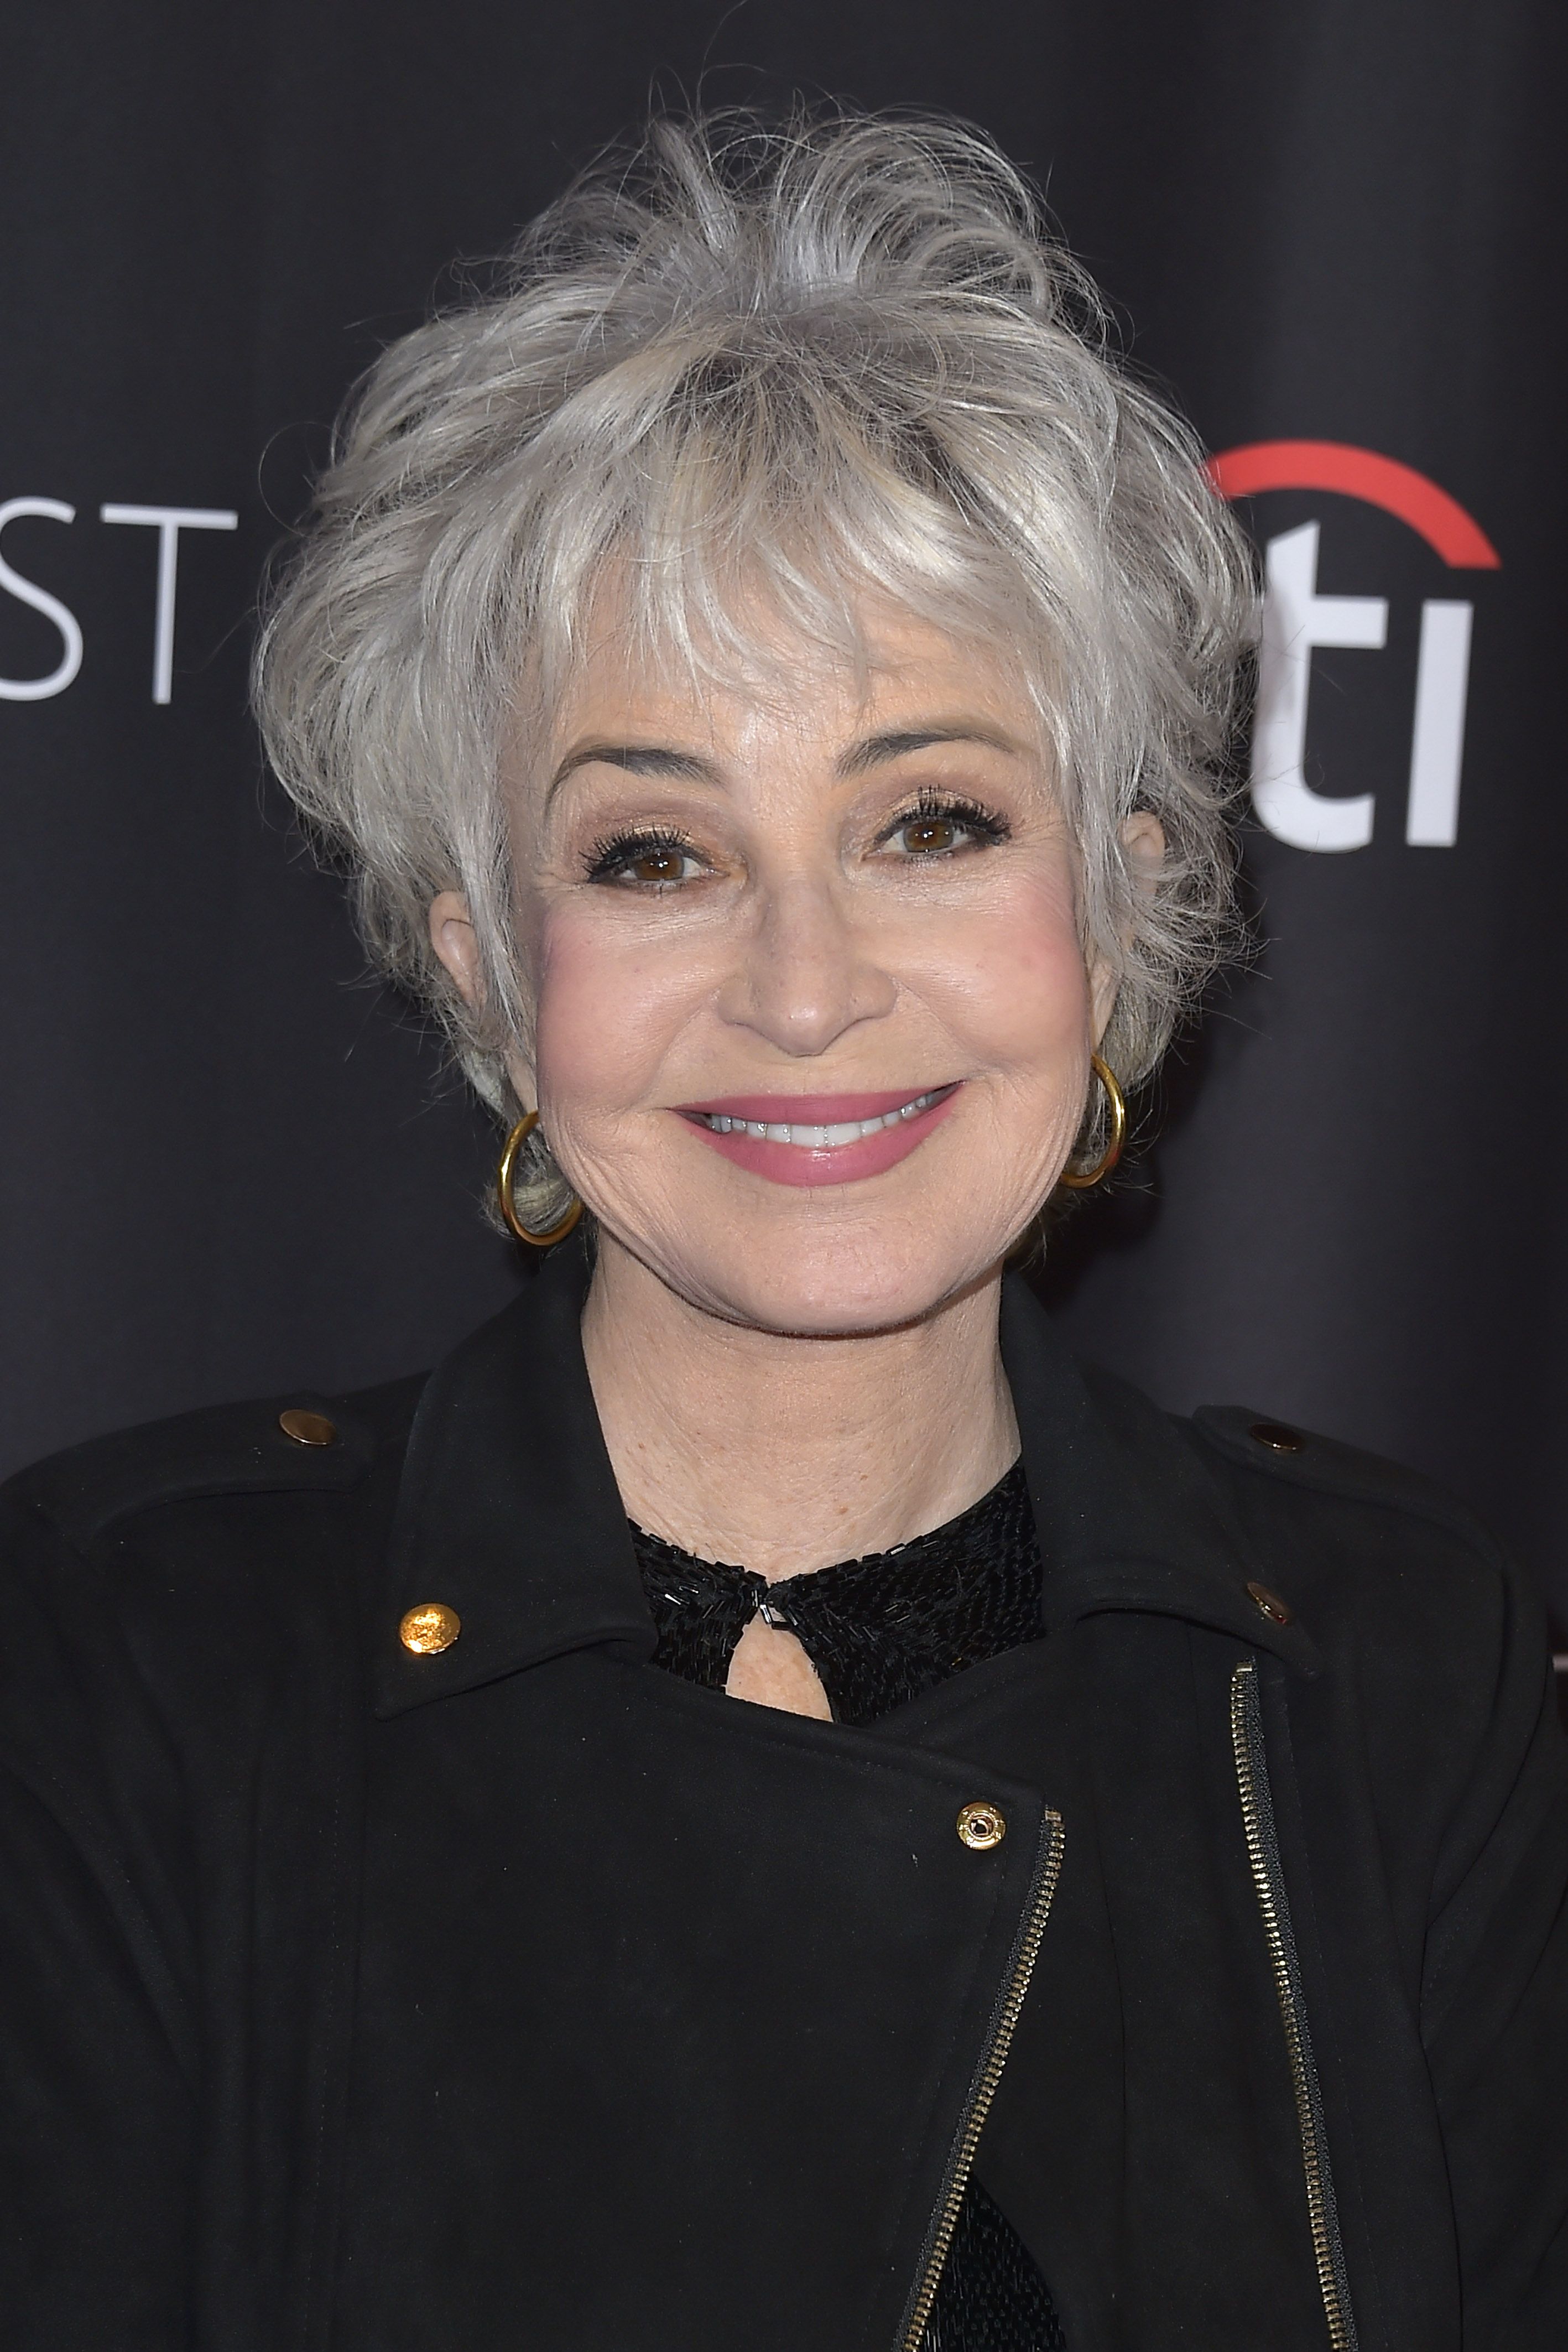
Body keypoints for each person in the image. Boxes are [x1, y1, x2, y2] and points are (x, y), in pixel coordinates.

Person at [2, 112, 1563, 2352]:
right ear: (480, 964)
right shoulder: (130, 1662)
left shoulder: (1395, 1675)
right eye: (655, 851)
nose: (807, 983)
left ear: (1114, 907)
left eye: (930, 819)